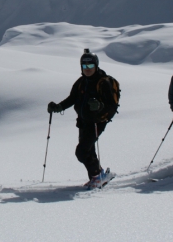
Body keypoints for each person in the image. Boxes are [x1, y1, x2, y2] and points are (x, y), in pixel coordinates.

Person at [47, 49, 120, 188]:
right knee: (88, 150)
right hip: (83, 121)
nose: (87, 69)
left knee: (82, 152)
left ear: (96, 66)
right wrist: (59, 107)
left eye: (90, 66)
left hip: (96, 122)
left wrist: (99, 106)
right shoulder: (81, 82)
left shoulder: (103, 82)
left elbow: (111, 106)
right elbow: (72, 98)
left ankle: (98, 176)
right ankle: (97, 177)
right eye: (84, 66)